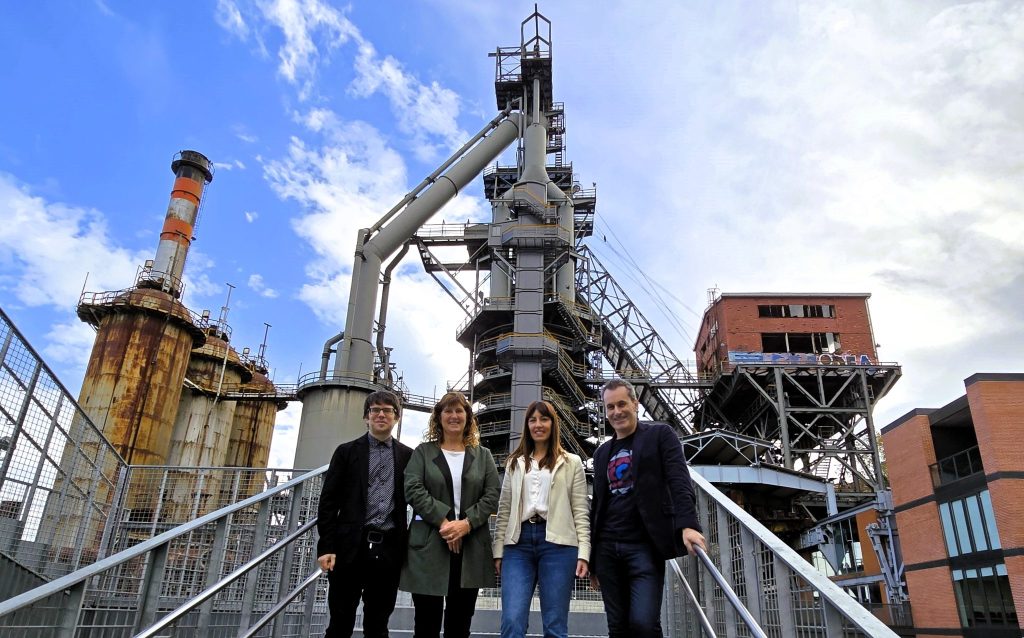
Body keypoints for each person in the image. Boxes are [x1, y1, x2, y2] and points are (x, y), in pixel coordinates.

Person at [590, 379, 706, 638]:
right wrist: (592, 558)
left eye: (622, 404)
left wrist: (688, 524)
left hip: (643, 546)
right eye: (610, 407)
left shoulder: (660, 435)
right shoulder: (601, 453)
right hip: (607, 548)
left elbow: (679, 480)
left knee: (644, 623)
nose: (616, 411)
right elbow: (597, 505)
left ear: (635, 403)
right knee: (617, 627)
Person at [401, 391, 501, 638]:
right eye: (448, 411)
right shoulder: (423, 452)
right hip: (429, 545)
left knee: (460, 622)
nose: (454, 416)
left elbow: (492, 494)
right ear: (439, 417)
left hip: (470, 547)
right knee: (426, 622)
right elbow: (413, 489)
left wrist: (466, 524)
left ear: (468, 417)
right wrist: (446, 524)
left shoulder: (483, 455)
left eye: (459, 411)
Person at [316, 390, 414, 638]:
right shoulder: (346, 452)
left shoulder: (407, 456)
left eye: (388, 410)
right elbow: (328, 502)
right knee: (340, 621)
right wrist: (326, 546)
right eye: (375, 410)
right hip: (349, 547)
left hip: (388, 548)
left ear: (396, 417)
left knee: (378, 623)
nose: (381, 414)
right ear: (366, 417)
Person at [493, 400, 590, 638]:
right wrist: (498, 550)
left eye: (544, 419)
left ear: (553, 424)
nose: (538, 425)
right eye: (533, 419)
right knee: (512, 620)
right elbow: (504, 508)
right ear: (527, 425)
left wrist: (584, 552)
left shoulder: (571, 462)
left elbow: (580, 509)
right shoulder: (514, 463)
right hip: (518, 544)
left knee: (555, 625)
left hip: (558, 545)